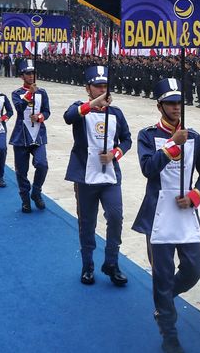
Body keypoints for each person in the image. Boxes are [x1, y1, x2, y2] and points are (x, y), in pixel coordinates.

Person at [133, 78, 200, 353]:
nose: (176, 107)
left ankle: (164, 299)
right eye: (170, 102)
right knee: (162, 276)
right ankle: (169, 332)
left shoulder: (196, 137)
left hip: (186, 214)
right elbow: (148, 168)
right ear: (159, 106)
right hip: (158, 217)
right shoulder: (146, 136)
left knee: (194, 270)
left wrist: (195, 196)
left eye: (179, 102)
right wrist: (171, 146)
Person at [63, 65, 132, 287]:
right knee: (87, 222)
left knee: (115, 217)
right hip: (85, 177)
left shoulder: (116, 113)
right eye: (97, 86)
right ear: (88, 88)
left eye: (105, 86)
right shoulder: (81, 109)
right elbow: (69, 117)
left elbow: (127, 139)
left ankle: (111, 262)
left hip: (109, 176)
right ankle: (87, 265)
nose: (102, 89)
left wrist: (115, 153)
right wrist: (94, 104)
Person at [10, 59, 50, 212]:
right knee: (21, 171)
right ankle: (25, 199)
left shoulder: (42, 92)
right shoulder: (16, 93)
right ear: (22, 76)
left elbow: (47, 111)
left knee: (42, 164)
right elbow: (19, 108)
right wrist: (29, 93)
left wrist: (40, 117)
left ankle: (36, 191)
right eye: (28, 73)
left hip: (38, 135)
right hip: (21, 136)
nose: (31, 76)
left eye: (33, 73)